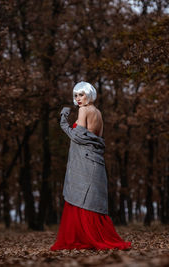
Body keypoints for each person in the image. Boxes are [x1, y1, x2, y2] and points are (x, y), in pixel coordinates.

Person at [50, 81, 131, 250]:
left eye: (81, 94)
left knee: (82, 197)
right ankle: (88, 238)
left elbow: (78, 137)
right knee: (89, 198)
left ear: (89, 94)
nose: (78, 99)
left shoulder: (84, 110)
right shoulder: (98, 112)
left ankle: (86, 239)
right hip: (94, 162)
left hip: (85, 163)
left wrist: (63, 119)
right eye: (76, 95)